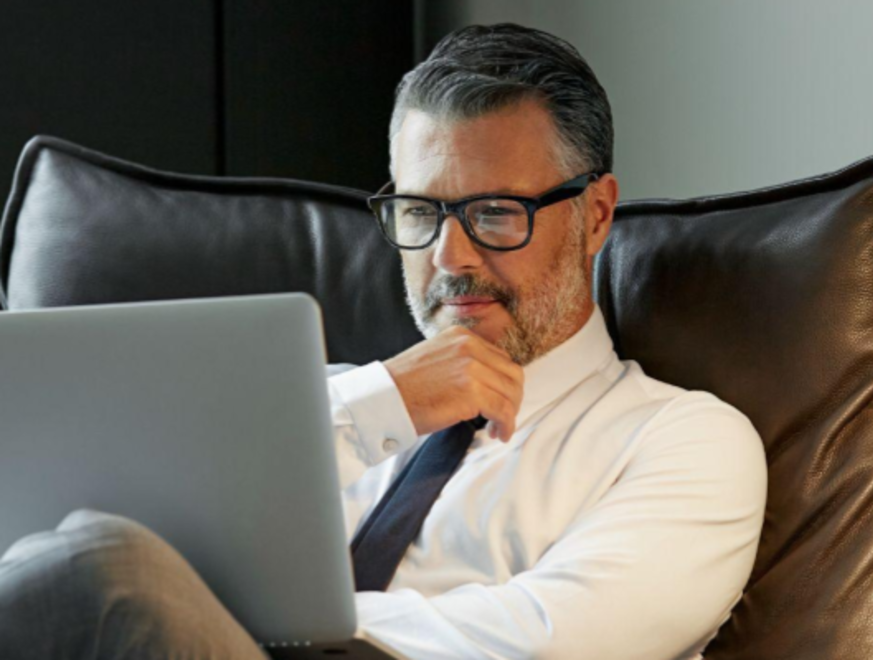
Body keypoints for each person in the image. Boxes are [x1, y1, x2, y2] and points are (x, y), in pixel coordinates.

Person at [0, 23, 767, 660]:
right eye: (419, 214)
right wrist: (382, 405)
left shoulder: (683, 441)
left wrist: (272, 630)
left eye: (495, 212)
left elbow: (547, 643)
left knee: (101, 569)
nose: (450, 258)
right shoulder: (334, 406)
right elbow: (75, 525)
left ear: (596, 215)